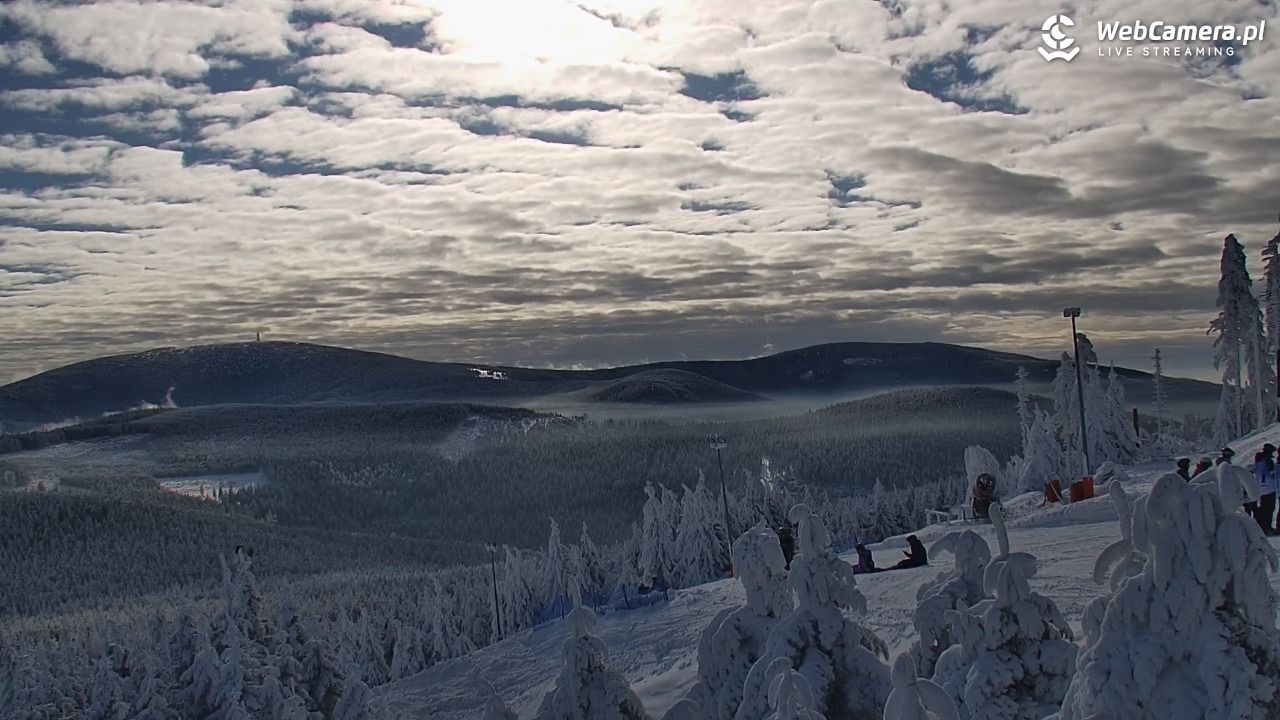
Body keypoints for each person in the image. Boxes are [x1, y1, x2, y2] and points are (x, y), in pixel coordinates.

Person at [1253, 444, 1278, 535]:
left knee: (1263, 507)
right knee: (1269, 508)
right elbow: (1272, 473)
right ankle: (1267, 527)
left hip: (1261, 487)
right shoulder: (1268, 461)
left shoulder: (1258, 460)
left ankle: (1261, 526)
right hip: (1270, 487)